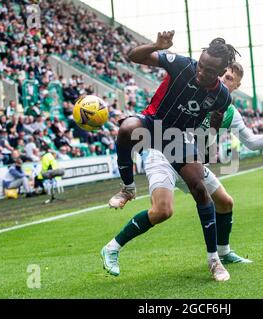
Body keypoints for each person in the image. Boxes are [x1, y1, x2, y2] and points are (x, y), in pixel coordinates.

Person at [103, 31, 237, 282]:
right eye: (201, 65)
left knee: (200, 189)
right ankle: (128, 189)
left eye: (208, 71)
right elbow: (132, 56)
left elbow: (216, 119)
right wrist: (156, 45)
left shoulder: (221, 96)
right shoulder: (181, 64)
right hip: (153, 124)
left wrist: (207, 145)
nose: (201, 72)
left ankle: (214, 260)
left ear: (219, 74)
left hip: (178, 139)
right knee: (126, 129)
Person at [143, 62, 263, 264]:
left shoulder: (231, 114)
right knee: (161, 211)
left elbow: (251, 142)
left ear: (237, 86)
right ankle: (114, 245)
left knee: (225, 202)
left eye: (230, 78)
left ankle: (223, 253)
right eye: (223, 74)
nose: (224, 79)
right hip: (169, 156)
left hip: (193, 164)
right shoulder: (198, 96)